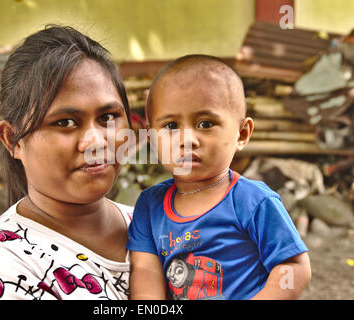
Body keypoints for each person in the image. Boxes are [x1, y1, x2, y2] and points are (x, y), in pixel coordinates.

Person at [0, 25, 133, 300]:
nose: (96, 142)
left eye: (107, 117)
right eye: (65, 122)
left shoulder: (155, 225)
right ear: (13, 140)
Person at [127, 54, 312, 300]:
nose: (187, 140)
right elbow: (145, 270)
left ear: (242, 134)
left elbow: (294, 267)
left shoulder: (253, 201)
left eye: (205, 123)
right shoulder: (150, 206)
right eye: (171, 126)